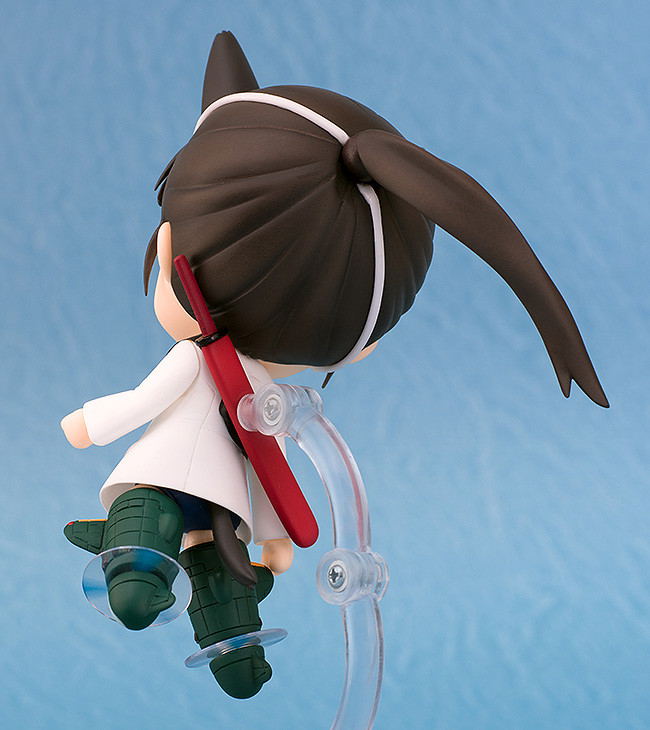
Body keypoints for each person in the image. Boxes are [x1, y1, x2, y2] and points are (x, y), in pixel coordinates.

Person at [61, 30, 608, 700]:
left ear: (169, 245)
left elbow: (229, 445)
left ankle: (221, 636)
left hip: (212, 507)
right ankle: (166, 592)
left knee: (205, 571)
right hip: (187, 491)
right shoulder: (225, 376)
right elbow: (227, 442)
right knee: (173, 546)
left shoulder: (214, 368)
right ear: (361, 346)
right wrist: (275, 534)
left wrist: (90, 425)